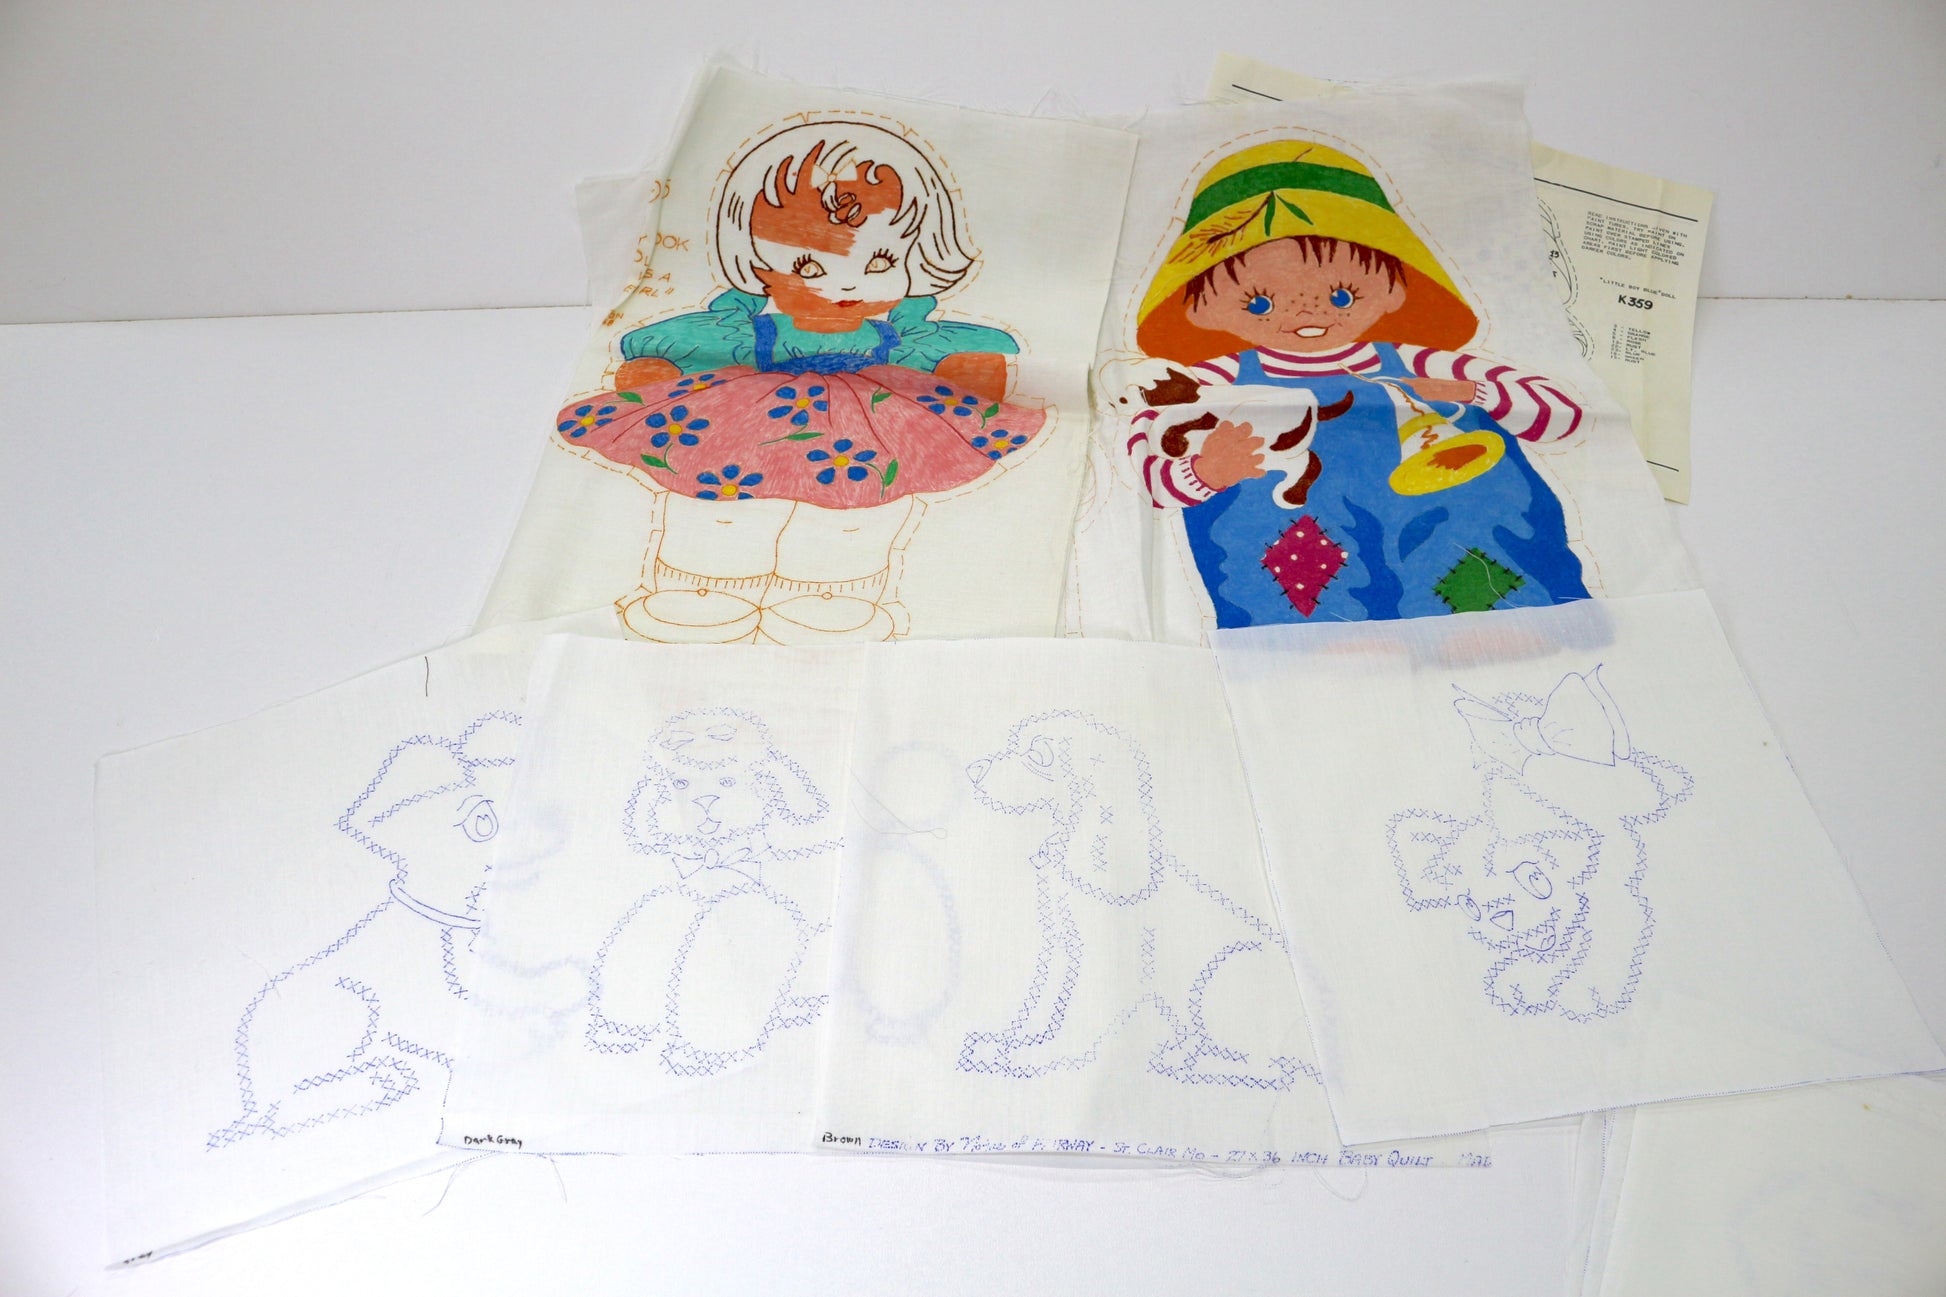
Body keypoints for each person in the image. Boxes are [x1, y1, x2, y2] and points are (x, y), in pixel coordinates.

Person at [558, 120, 1043, 644]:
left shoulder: (899, 336)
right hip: (750, 417)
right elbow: (686, 345)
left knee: (860, 506)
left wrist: (961, 373)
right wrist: (661, 369)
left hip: (866, 424)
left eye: (881, 261)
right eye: (810, 266)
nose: (847, 283)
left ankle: (834, 592)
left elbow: (939, 356)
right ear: (755, 260)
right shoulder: (744, 331)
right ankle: (701, 584)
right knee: (719, 498)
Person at [1128, 140, 1591, 626]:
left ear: (1394, 289)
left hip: (1452, 566)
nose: (1306, 312)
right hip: (1299, 576)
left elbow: (1563, 415)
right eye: (1260, 302)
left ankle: (1500, 625)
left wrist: (1472, 393)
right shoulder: (1209, 381)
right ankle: (1324, 645)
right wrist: (1203, 472)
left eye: (1343, 295)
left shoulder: (1418, 362)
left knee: (1474, 511)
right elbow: (1145, 466)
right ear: (1203, 308)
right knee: (1280, 539)